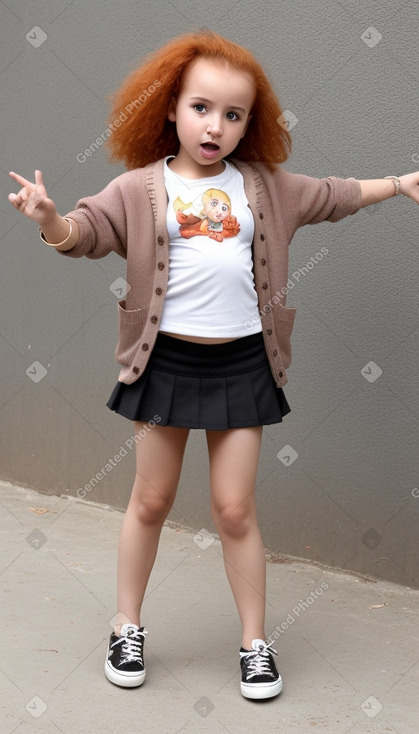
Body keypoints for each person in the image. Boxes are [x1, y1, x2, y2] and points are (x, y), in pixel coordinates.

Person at [8, 30, 419, 701]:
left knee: (234, 510)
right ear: (170, 107)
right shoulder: (140, 188)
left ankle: (255, 642)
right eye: (201, 107)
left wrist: (398, 183)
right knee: (149, 499)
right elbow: (82, 236)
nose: (215, 125)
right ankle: (126, 624)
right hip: (162, 362)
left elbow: (333, 194)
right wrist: (50, 218)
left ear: (248, 125)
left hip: (243, 366)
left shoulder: (265, 188)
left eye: (233, 115)